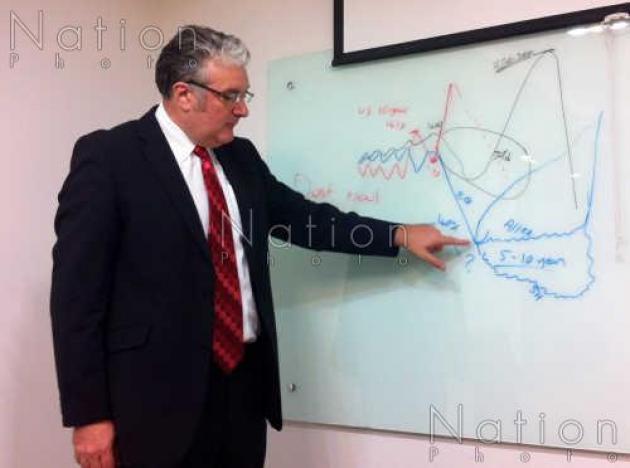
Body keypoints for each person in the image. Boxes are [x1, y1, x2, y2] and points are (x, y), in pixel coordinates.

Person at [50, 25, 469, 468]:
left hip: (243, 388)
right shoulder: (111, 158)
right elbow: (76, 298)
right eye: (231, 96)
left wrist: (399, 235)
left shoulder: (240, 157)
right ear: (184, 94)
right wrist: (89, 416)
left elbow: (305, 220)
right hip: (154, 401)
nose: (243, 109)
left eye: (244, 95)